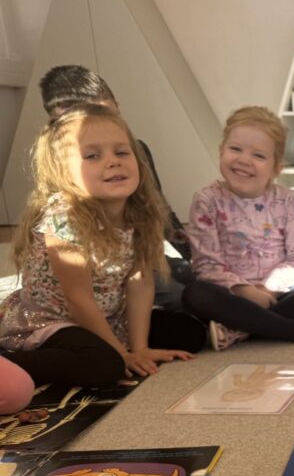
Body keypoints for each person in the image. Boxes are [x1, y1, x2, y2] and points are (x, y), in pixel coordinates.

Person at [0, 105, 203, 388]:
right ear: (63, 173)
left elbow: (140, 281)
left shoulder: (139, 211)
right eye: (92, 156)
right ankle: (10, 363)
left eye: (122, 152)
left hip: (109, 317)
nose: (113, 162)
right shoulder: (64, 217)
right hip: (51, 321)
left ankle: (113, 349)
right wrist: (122, 354)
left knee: (190, 333)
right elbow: (78, 299)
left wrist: (140, 348)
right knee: (105, 365)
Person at [182, 106, 294, 350]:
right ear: (221, 151)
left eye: (258, 155)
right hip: (230, 297)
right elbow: (207, 264)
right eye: (235, 149)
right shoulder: (206, 199)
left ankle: (239, 330)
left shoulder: (285, 199)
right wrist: (245, 291)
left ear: (276, 168)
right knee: (196, 294)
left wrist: (267, 290)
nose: (244, 160)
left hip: (278, 295)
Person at [38, 64, 194, 310]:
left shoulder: (137, 151)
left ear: (117, 107)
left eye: (106, 115)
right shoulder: (59, 167)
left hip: (140, 254)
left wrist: (189, 254)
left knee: (203, 280)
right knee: (183, 299)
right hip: (98, 270)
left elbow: (159, 210)